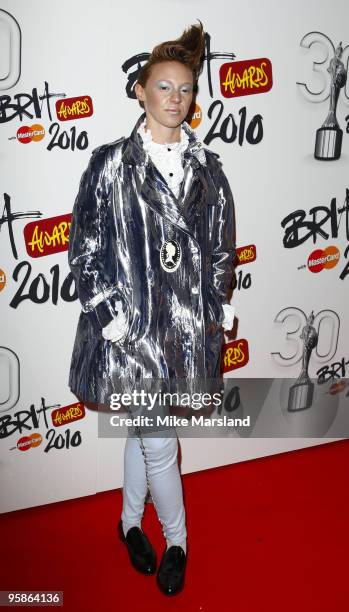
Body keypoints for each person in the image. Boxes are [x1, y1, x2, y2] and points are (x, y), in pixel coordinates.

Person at [68, 21, 236, 596]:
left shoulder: (208, 169)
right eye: (165, 87)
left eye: (186, 89)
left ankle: (125, 524)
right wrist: (109, 314)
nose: (176, 99)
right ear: (140, 90)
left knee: (143, 437)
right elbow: (84, 250)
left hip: (183, 336)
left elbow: (220, 250)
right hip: (130, 336)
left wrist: (216, 306)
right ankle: (179, 541)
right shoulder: (110, 166)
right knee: (160, 442)